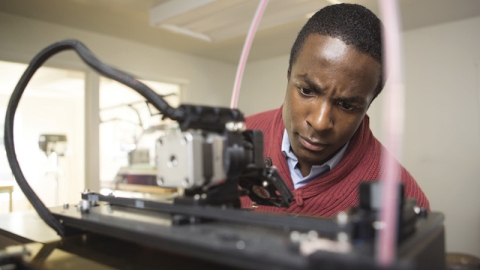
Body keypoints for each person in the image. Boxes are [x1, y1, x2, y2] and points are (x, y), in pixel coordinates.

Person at [241, 3, 429, 217]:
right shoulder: (231, 140)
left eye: (347, 105)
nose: (320, 123)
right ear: (288, 75)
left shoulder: (403, 203)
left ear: (368, 105)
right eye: (307, 90)